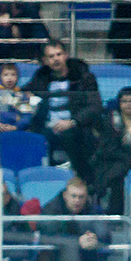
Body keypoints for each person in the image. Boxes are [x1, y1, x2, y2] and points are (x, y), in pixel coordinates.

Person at [22, 39, 103, 184]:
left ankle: (84, 181)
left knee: (74, 137)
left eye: (59, 54)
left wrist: (72, 122)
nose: (56, 59)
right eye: (51, 56)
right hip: (47, 127)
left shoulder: (84, 77)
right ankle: (39, 181)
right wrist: (25, 95)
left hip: (75, 126)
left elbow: (95, 106)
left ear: (66, 55)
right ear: (45, 61)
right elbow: (24, 92)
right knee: (29, 137)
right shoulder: (41, 77)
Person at [92, 87, 131, 214]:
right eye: (124, 101)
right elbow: (107, 149)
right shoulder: (111, 120)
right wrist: (128, 159)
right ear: (119, 103)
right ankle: (115, 213)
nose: (128, 104)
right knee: (117, 175)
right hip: (117, 160)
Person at [38, 177, 107, 261]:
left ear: (86, 197)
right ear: (65, 195)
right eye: (73, 196)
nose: (77, 201)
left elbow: (105, 234)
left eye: (81, 197)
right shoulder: (50, 210)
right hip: (56, 260)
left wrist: (95, 239)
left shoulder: (93, 209)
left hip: (87, 259)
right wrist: (77, 242)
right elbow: (49, 237)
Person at [0, 63, 35, 133]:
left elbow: (26, 116)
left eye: (13, 75)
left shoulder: (21, 96)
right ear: (0, 77)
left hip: (16, 130)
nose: (10, 78)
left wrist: (16, 127)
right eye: (5, 75)